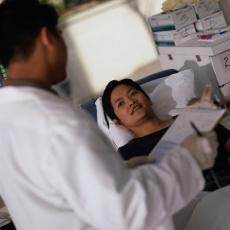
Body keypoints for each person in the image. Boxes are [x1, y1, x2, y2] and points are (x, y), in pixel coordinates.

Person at [0, 1, 217, 230]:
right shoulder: (61, 123)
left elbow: (61, 191)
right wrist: (189, 158)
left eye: (133, 94)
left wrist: (119, 172)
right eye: (61, 35)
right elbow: (126, 212)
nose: (131, 102)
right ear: (47, 38)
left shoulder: (7, 120)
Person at [102, 78, 230, 191]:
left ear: (148, 99)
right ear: (117, 122)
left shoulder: (191, 117)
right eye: (121, 103)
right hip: (192, 201)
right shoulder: (127, 155)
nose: (131, 101)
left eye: (133, 93)